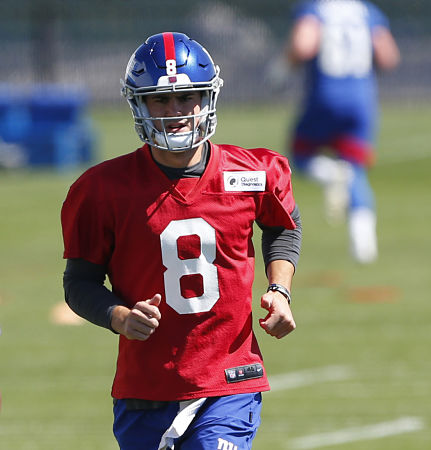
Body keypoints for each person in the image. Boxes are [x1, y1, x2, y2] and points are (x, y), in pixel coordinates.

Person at [60, 32, 301, 449]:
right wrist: (118, 316)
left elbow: (283, 224)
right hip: (145, 387)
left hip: (228, 380)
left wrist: (280, 289)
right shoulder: (102, 189)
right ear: (139, 104)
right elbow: (78, 283)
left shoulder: (252, 172)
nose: (175, 111)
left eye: (187, 97)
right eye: (160, 100)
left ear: (207, 99)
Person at [286, 0, 400, 264]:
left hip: (325, 96)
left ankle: (328, 174)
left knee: (301, 154)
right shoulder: (367, 11)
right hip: (361, 101)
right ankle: (364, 244)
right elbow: (388, 56)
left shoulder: (315, 9)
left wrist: (283, 67)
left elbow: (303, 45)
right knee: (355, 168)